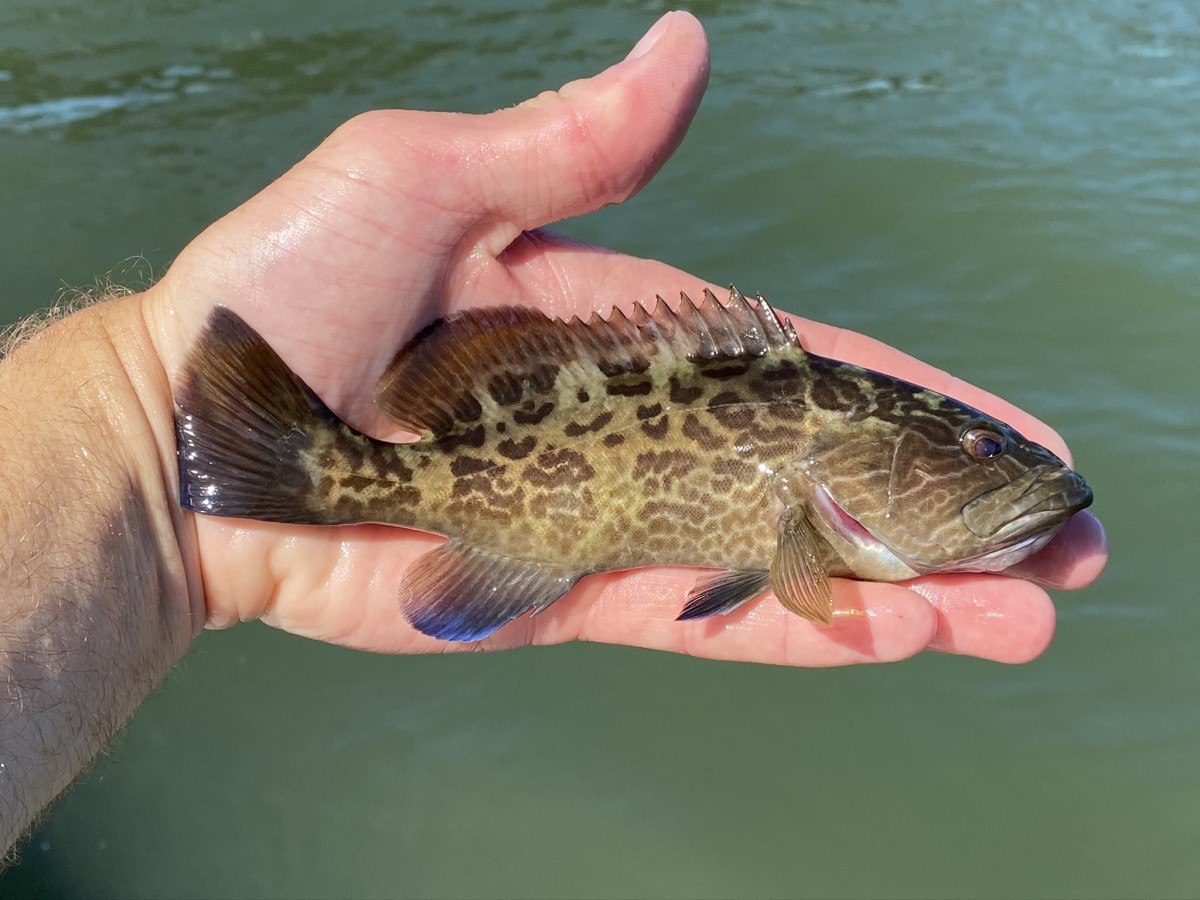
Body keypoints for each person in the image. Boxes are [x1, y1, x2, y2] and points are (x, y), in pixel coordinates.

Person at [0, 11, 1105, 854]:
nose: (999, 465)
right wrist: (138, 430)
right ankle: (244, 460)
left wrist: (144, 433)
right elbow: (794, 568)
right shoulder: (820, 462)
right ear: (873, 450)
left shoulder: (835, 477)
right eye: (977, 448)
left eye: (983, 452)